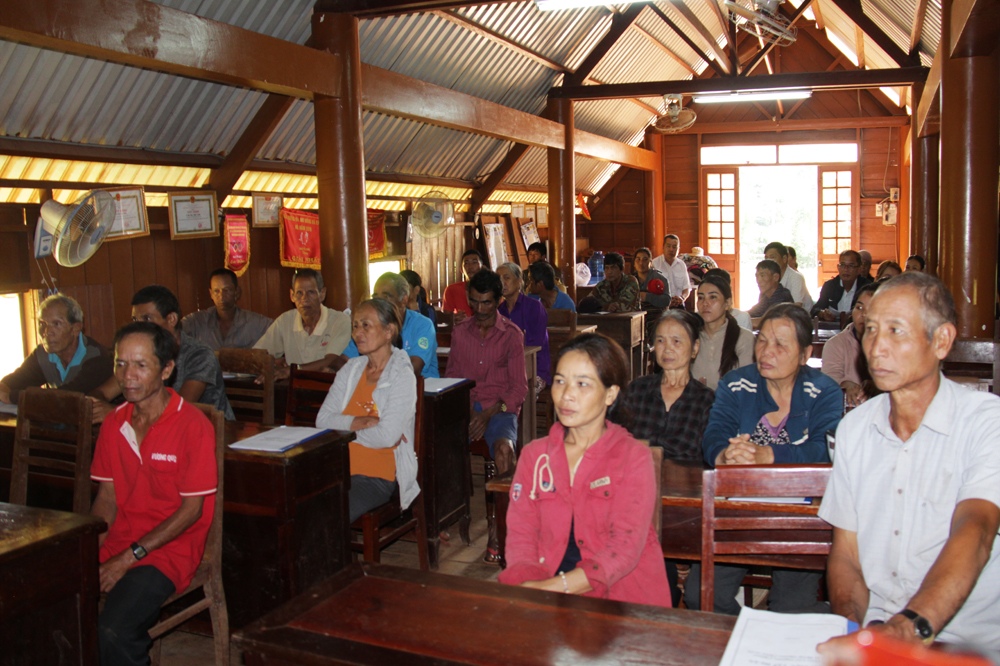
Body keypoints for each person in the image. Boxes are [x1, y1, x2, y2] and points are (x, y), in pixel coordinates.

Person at [816, 272, 1000, 654]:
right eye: (869, 330)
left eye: (896, 331)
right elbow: (847, 555)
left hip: (967, 646)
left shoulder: (986, 422)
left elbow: (976, 529)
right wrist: (853, 628)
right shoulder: (854, 430)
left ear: (942, 341)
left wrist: (909, 628)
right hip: (878, 632)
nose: (876, 347)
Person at [687, 304, 842, 615]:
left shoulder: (824, 391)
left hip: (801, 515)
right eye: (762, 340)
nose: (766, 351)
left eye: (781, 344)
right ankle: (747, 637)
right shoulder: (736, 384)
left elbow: (824, 451)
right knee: (699, 594)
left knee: (790, 608)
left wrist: (767, 454)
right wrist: (724, 454)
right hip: (740, 506)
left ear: (804, 353)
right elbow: (714, 434)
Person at [498, 334, 673, 608]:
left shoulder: (632, 457)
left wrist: (553, 588)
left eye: (582, 384)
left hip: (618, 597)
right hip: (542, 586)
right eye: (560, 381)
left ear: (611, 394)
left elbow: (623, 550)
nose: (567, 395)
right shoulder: (534, 457)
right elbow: (521, 534)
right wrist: (528, 586)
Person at [90, 322, 217, 666]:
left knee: (114, 630)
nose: (127, 376)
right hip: (121, 541)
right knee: (43, 603)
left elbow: (191, 511)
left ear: (167, 370)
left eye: (141, 365)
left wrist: (128, 558)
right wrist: (88, 549)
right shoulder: (115, 424)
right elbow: (106, 500)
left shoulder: (192, 426)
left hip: (168, 551)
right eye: (120, 363)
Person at [316, 299, 419, 524]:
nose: (357, 333)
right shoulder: (351, 370)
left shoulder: (401, 375)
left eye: (365, 325)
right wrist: (359, 422)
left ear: (388, 331)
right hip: (336, 468)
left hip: (375, 475)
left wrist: (342, 429)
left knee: (327, 515)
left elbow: (387, 436)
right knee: (292, 505)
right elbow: (322, 420)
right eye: (355, 326)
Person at [92, 286, 235, 422]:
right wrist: (95, 406)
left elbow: (179, 409)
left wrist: (116, 413)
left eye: (147, 319)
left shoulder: (200, 354)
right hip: (152, 427)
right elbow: (102, 393)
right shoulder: (139, 354)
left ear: (171, 319)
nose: (139, 326)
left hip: (209, 431)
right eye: (135, 320)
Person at [444, 269, 527, 479]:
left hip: (499, 409)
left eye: (486, 303)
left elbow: (518, 389)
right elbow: (452, 380)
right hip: (466, 408)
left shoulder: (511, 335)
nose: (479, 309)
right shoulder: (460, 332)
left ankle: (507, 509)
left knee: (504, 451)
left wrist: (487, 414)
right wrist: (472, 412)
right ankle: (454, 508)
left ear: (499, 300)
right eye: (475, 302)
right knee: (437, 447)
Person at [626, 310, 715, 462]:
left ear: (695, 348)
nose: (667, 349)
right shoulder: (637, 390)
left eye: (676, 341)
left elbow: (707, 451)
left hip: (685, 483)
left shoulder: (706, 400)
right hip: (637, 480)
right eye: (660, 341)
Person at [0, 293, 113, 405]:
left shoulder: (97, 357)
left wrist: (11, 397)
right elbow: (15, 381)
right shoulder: (42, 354)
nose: (47, 331)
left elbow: (68, 396)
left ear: (76, 328)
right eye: (42, 324)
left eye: (57, 324)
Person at [254, 268, 351, 379]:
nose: (304, 299)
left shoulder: (339, 321)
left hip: (327, 391)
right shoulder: (285, 320)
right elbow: (257, 354)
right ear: (292, 295)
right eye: (299, 293)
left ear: (322, 294)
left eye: (311, 292)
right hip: (294, 392)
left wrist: (292, 371)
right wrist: (272, 361)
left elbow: (332, 361)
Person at [340, 272, 438, 378]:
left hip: (420, 390)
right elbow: (344, 360)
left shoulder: (422, 325)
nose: (379, 302)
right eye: (375, 297)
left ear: (403, 300)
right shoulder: (368, 326)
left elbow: (413, 368)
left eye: (386, 296)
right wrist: (332, 367)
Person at [180, 268, 272, 351]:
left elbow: (280, 333)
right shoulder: (197, 321)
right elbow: (173, 333)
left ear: (237, 292)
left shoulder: (256, 323)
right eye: (216, 291)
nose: (221, 296)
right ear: (211, 293)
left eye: (227, 290)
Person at [691, 275, 755, 391]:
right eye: (700, 298)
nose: (705, 303)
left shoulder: (744, 339)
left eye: (713, 297)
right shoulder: (691, 337)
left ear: (727, 303)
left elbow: (747, 388)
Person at [822, 283, 879, 409]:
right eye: (859, 308)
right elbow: (828, 380)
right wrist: (845, 384)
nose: (863, 314)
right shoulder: (836, 344)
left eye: (871, 309)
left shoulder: (893, 347)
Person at [497, 263, 551, 388]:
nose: (502, 283)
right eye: (499, 279)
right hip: (506, 370)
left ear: (519, 281)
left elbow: (536, 343)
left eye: (506, 278)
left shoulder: (534, 307)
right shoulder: (499, 311)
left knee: (517, 391)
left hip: (535, 370)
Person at [811, 250, 872, 321]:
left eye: (851, 266)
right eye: (842, 265)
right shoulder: (830, 286)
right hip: (832, 328)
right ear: (838, 267)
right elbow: (815, 309)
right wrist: (823, 314)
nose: (846, 269)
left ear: (859, 269)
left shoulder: (866, 287)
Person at [764, 241, 814, 311]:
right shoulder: (770, 278)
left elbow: (796, 308)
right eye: (766, 258)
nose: (769, 262)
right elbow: (762, 306)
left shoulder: (796, 277)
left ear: (784, 259)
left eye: (772, 257)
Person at [441, 250, 484, 318]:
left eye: (474, 262)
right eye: (466, 263)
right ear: (461, 270)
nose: (470, 267)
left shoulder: (490, 288)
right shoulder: (452, 289)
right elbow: (445, 319)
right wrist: (454, 319)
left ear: (482, 268)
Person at [652, 234, 691, 307]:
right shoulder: (655, 264)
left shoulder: (682, 265)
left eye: (674, 247)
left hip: (678, 304)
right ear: (663, 247)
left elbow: (687, 288)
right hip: (661, 305)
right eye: (668, 246)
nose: (671, 249)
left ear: (678, 249)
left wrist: (682, 298)